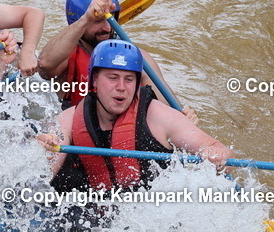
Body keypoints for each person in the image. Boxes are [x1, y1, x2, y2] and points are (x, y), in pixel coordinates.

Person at [38, 40, 231, 193]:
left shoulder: (159, 116)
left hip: (146, 220)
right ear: (95, 79)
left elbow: (218, 150)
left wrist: (217, 155)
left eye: (129, 79)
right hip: (87, 221)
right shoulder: (68, 119)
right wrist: (46, 150)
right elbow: (42, 171)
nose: (121, 87)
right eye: (112, 78)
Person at [39, 0, 187, 112]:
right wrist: (87, 18)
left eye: (111, 19)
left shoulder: (135, 56)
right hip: (79, 130)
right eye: (97, 21)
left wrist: (183, 117)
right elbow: (45, 65)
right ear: (78, 21)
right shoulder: (65, 56)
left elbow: (168, 105)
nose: (107, 27)